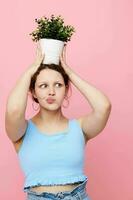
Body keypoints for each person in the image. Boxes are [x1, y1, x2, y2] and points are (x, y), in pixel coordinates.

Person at [5, 42, 112, 200]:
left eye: (58, 85)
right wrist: (31, 71)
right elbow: (14, 111)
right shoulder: (21, 131)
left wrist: (68, 71)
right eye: (43, 86)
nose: (51, 92)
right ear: (33, 92)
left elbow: (104, 106)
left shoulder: (80, 128)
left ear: (66, 89)